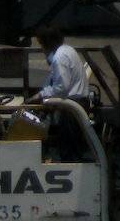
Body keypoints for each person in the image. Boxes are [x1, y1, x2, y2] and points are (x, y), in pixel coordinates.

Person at [30, 29, 90, 160]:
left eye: (42, 45)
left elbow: (61, 87)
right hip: (78, 103)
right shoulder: (68, 50)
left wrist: (40, 96)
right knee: (73, 144)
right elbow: (54, 79)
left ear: (47, 44)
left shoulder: (59, 58)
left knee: (68, 146)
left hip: (72, 106)